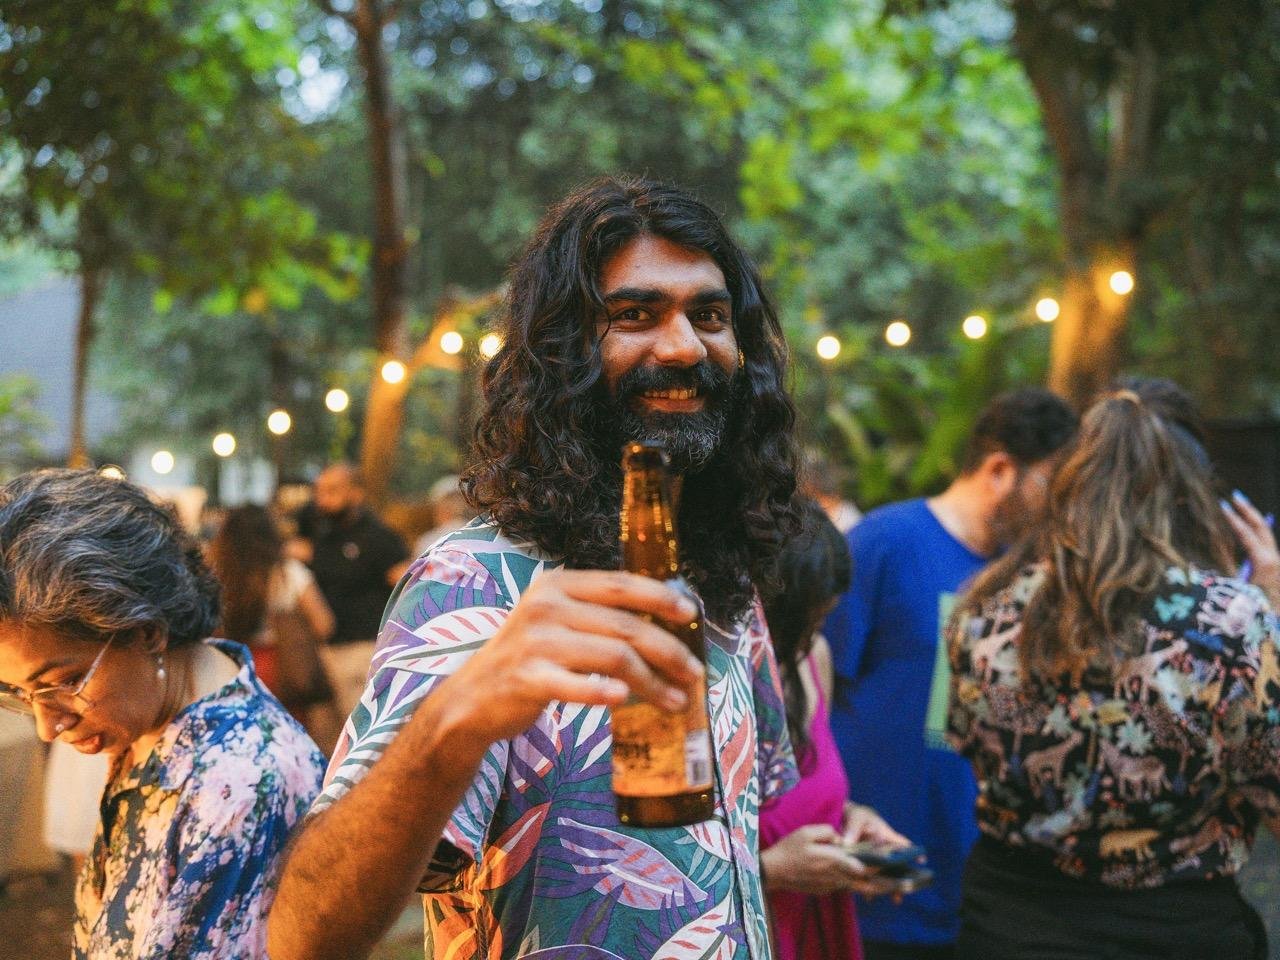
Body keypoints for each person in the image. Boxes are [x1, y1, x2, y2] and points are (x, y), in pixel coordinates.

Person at [268, 175, 826, 960]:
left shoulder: (724, 577)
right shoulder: (471, 582)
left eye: (709, 315)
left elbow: (718, 850)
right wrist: (457, 717)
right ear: (563, 353)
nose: (682, 346)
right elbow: (306, 935)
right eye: (634, 315)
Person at [946, 385, 1280, 959]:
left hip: (1010, 922)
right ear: (1188, 496)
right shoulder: (1231, 622)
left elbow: (963, 742)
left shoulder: (980, 606)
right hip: (1170, 931)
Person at [0, 470, 324, 959]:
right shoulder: (153, 720)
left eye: (65, 682)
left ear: (147, 632)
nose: (48, 726)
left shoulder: (235, 782)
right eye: (20, 694)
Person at [822, 387, 1078, 959]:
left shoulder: (1029, 574)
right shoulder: (884, 542)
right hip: (877, 877)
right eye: (1052, 484)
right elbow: (808, 696)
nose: (1059, 506)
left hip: (980, 887)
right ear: (1000, 470)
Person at [761, 499, 912, 960]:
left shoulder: (813, 658)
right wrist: (770, 870)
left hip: (816, 929)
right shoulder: (715, 683)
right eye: (803, 624)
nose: (811, 637)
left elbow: (800, 793)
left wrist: (850, 819)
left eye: (821, 622)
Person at [292, 463, 410, 719]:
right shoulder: (318, 534)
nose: (323, 500)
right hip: (323, 655)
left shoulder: (380, 537)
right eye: (319, 491)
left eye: (332, 491)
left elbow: (407, 587)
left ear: (356, 493)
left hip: (363, 651)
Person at [207, 505, 338, 734]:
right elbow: (324, 625)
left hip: (232, 668)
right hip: (283, 667)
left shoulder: (217, 575)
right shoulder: (289, 573)